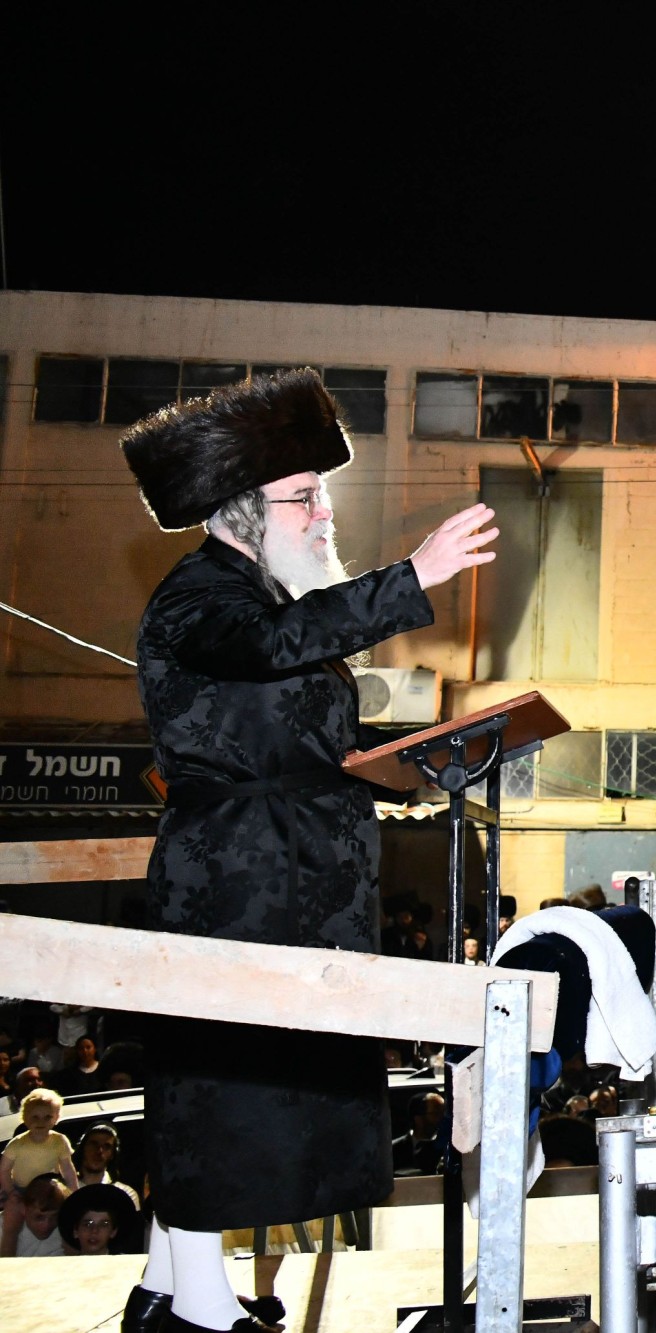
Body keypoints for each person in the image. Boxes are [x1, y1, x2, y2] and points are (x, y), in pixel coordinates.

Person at [119, 370, 497, 1333]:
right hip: (233, 881)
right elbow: (269, 646)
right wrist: (411, 579)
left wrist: (393, 764)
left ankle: (169, 1289)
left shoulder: (258, 590)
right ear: (239, 514)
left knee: (257, 1092)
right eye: (303, 497)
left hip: (291, 877)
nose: (324, 512)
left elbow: (293, 713)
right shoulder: (197, 598)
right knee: (216, 1091)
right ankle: (195, 1312)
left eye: (321, 493)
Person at [2, 1089, 82, 1202]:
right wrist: (11, 1192)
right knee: (14, 1211)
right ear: (25, 1118)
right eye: (35, 1117)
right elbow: (4, 1170)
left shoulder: (60, 1141)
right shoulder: (17, 1143)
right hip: (22, 1191)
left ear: (56, 1118)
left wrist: (74, 1193)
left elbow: (67, 1169)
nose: (41, 1122)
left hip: (49, 1189)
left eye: (47, 1117)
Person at [58, 1182, 142, 1256]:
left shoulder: (128, 1267)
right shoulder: (62, 1269)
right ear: (75, 1231)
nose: (94, 1230)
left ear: (113, 1232)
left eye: (104, 1224)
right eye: (88, 1224)